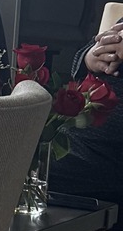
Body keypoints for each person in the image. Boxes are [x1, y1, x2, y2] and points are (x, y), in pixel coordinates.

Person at [49, 15, 123, 206]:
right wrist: (91, 57)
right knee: (6, 155)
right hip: (71, 136)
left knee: (20, 170)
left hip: (107, 155)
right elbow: (80, 63)